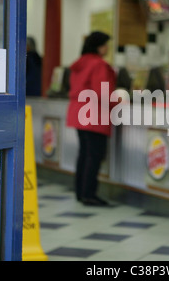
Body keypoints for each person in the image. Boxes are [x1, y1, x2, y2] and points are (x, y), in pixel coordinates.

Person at [66, 31, 116, 206]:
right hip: (94, 115)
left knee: (84, 154)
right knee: (94, 156)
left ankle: (81, 192)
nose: (107, 48)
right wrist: (119, 101)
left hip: (78, 114)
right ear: (98, 46)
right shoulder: (99, 65)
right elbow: (103, 92)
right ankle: (89, 194)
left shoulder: (79, 64)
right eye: (105, 44)